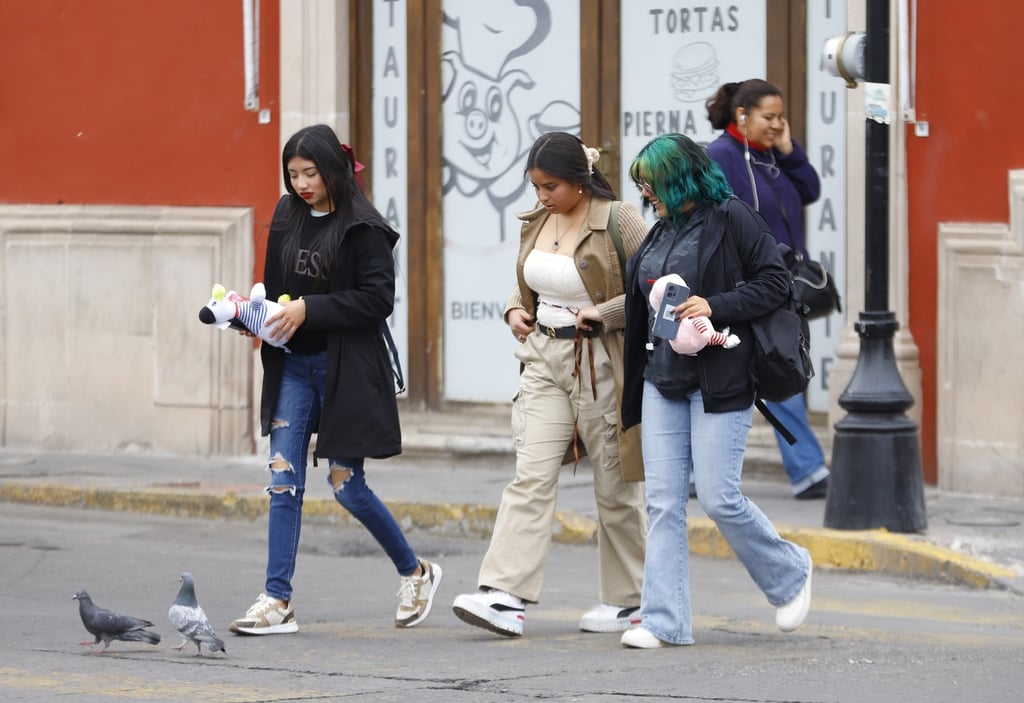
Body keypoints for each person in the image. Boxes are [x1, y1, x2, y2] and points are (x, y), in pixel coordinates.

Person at [228, 124, 442, 635]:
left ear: (334, 170)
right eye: (293, 174)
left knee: (346, 487)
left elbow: (376, 300)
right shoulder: (286, 215)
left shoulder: (364, 226)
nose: (301, 184)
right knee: (283, 478)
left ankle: (417, 572)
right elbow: (278, 290)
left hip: (346, 369)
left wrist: (308, 309)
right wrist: (256, 318)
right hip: (294, 367)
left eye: (310, 173)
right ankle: (276, 601)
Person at [619, 133, 812, 649]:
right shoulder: (660, 230)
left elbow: (775, 283)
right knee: (662, 502)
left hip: (721, 377)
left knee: (720, 497)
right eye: (642, 185)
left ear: (680, 177)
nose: (647, 192)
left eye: (653, 182)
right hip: (662, 377)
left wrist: (716, 305)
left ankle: (790, 573)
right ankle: (663, 621)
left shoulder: (734, 217)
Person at [451, 132, 648, 637]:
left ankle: (630, 600)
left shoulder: (618, 219)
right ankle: (504, 596)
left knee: (616, 485)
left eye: (550, 186)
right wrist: (514, 309)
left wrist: (601, 312)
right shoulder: (537, 220)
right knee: (531, 474)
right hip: (542, 357)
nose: (541, 196)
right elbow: (527, 282)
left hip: (601, 360)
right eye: (535, 186)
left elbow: (653, 293)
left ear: (580, 182)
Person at [705, 79, 830, 500]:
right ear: (743, 115)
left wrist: (790, 150)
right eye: (769, 117)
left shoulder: (772, 155)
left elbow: (810, 190)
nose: (777, 124)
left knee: (775, 366)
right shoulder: (720, 156)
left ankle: (695, 470)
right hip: (750, 284)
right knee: (778, 363)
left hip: (783, 283)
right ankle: (809, 470)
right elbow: (715, 219)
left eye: (781, 117)